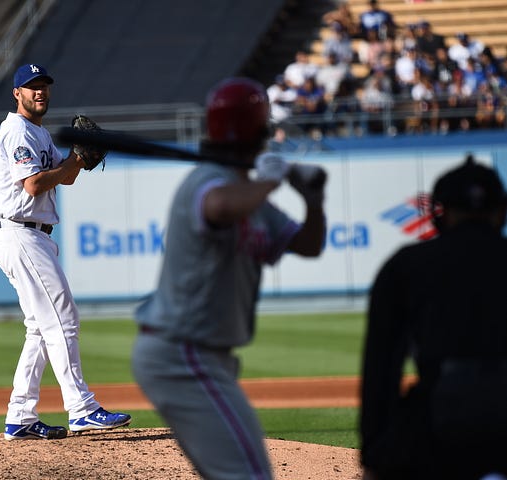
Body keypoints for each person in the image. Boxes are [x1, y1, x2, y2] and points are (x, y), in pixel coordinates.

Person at [132, 77, 327, 480]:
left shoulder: (248, 192)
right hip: (183, 353)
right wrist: (271, 179)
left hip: (204, 356)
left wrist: (313, 202)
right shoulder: (210, 181)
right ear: (258, 130)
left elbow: (308, 245)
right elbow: (220, 207)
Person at [0, 63, 131, 440]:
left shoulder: (38, 133)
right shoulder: (17, 132)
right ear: (16, 93)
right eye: (31, 86)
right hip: (21, 233)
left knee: (39, 327)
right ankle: (81, 408)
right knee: (63, 317)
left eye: (44, 86)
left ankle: (20, 415)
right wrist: (73, 160)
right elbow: (34, 184)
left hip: (29, 235)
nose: (40, 92)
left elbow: (65, 175)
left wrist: (81, 159)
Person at [360, 155, 507, 480]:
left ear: (439, 213)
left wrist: (375, 451)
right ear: (501, 211)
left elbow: (381, 368)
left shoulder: (407, 265)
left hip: (439, 421)